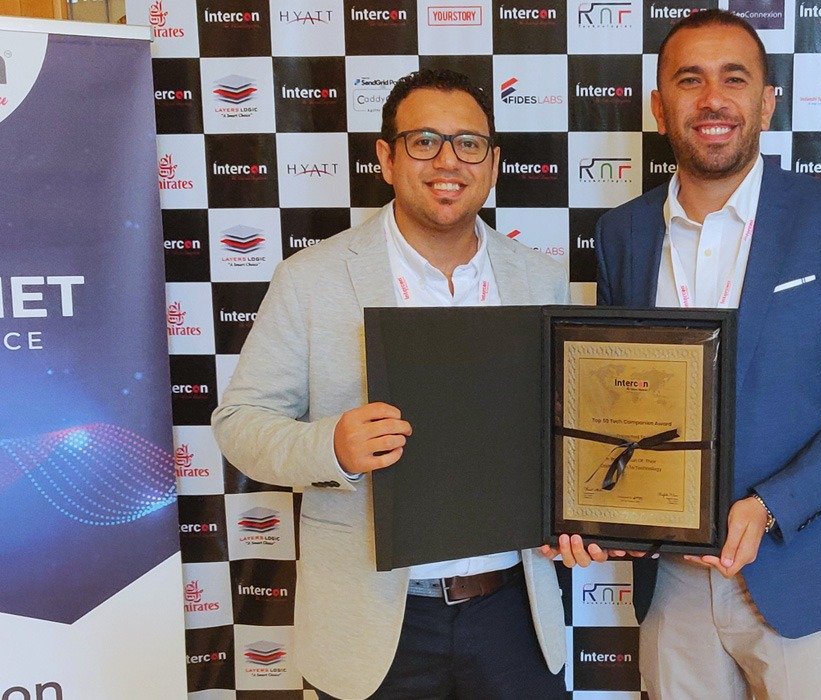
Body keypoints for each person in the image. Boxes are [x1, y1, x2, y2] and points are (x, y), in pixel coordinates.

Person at [592, 10, 821, 699]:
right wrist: (600, 510)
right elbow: (614, 397)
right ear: (659, 107)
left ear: (767, 102)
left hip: (802, 569)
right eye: (690, 80)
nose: (712, 99)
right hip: (671, 580)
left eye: (734, 79)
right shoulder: (622, 233)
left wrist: (771, 504)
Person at [212, 69, 570, 700]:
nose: (448, 161)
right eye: (424, 141)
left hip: (514, 615)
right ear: (386, 157)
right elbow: (239, 423)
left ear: (493, 163)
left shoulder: (539, 280)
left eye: (469, 144)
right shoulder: (311, 278)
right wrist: (331, 447)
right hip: (374, 624)